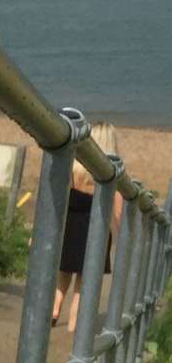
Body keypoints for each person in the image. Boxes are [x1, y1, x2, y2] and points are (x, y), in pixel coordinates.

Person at [52, 122, 122, 331]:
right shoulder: (110, 174)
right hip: (94, 232)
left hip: (70, 227)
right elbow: (116, 213)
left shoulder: (73, 168)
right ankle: (73, 325)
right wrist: (117, 235)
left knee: (63, 274)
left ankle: (54, 310)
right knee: (84, 282)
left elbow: (60, 199)